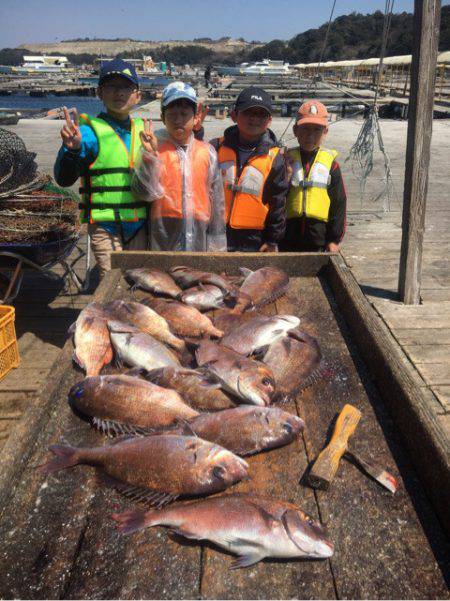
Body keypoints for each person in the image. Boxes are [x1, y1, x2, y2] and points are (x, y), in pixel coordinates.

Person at [54, 58, 148, 278]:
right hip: (106, 225)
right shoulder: (87, 133)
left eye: (126, 87)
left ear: (138, 95)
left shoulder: (146, 130)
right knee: (113, 281)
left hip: (140, 223)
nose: (119, 93)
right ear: (99, 93)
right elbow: (64, 178)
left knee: (139, 281)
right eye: (111, 86)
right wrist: (73, 150)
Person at [132, 81, 226, 252]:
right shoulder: (153, 147)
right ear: (162, 117)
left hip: (200, 229)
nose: (178, 120)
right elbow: (143, 193)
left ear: (196, 117)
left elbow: (217, 202)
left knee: (197, 275)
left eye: (184, 114)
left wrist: (218, 247)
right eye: (172, 115)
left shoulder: (208, 152)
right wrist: (149, 156)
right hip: (164, 229)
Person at [209, 87, 288, 252]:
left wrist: (273, 240)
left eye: (261, 114)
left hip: (254, 239)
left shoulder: (275, 158)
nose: (254, 119)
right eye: (248, 113)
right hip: (216, 232)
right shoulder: (215, 147)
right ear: (234, 115)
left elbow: (278, 203)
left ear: (269, 120)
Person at [280, 100, 346, 253]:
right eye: (305, 129)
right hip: (287, 237)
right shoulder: (285, 160)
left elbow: (339, 203)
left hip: (319, 240)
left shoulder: (332, 166)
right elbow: (276, 199)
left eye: (317, 129)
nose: (310, 135)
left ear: (325, 132)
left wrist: (334, 240)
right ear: (295, 130)